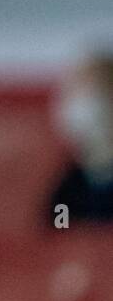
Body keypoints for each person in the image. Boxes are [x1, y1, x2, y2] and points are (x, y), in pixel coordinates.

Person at [46, 52, 113, 226]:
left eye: (88, 91)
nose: (75, 107)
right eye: (70, 93)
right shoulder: (68, 190)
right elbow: (59, 234)